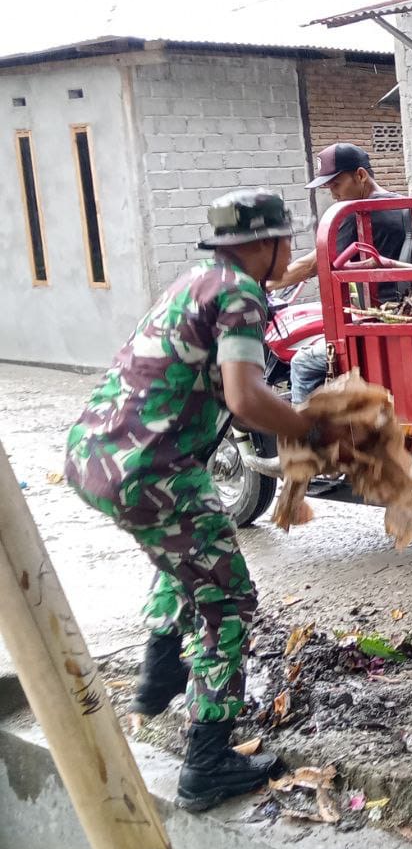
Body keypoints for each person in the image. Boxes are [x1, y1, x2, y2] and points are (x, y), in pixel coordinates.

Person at [65, 191, 331, 812]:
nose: (290, 249)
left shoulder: (200, 280)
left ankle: (159, 673)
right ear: (261, 243)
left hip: (98, 455)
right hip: (152, 469)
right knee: (228, 600)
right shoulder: (239, 295)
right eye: (286, 239)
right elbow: (243, 395)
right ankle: (207, 763)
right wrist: (306, 426)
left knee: (180, 557)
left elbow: (271, 296)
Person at [269, 142, 412, 403]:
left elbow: (313, 264)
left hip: (375, 324)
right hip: (408, 313)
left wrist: (266, 283)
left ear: (360, 175)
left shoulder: (357, 215)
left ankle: (303, 439)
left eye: (336, 184)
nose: (333, 194)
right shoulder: (405, 205)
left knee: (302, 362)